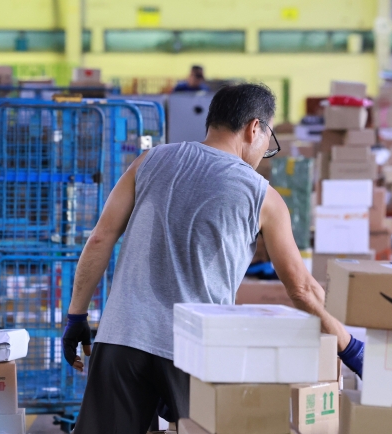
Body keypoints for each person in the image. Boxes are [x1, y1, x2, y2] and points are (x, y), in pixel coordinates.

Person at [63, 83, 363, 434]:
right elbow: (302, 289)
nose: (266, 150)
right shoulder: (261, 196)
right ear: (255, 128)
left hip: (123, 339)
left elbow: (100, 238)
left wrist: (76, 316)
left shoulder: (149, 160)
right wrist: (352, 349)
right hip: (196, 348)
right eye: (269, 140)